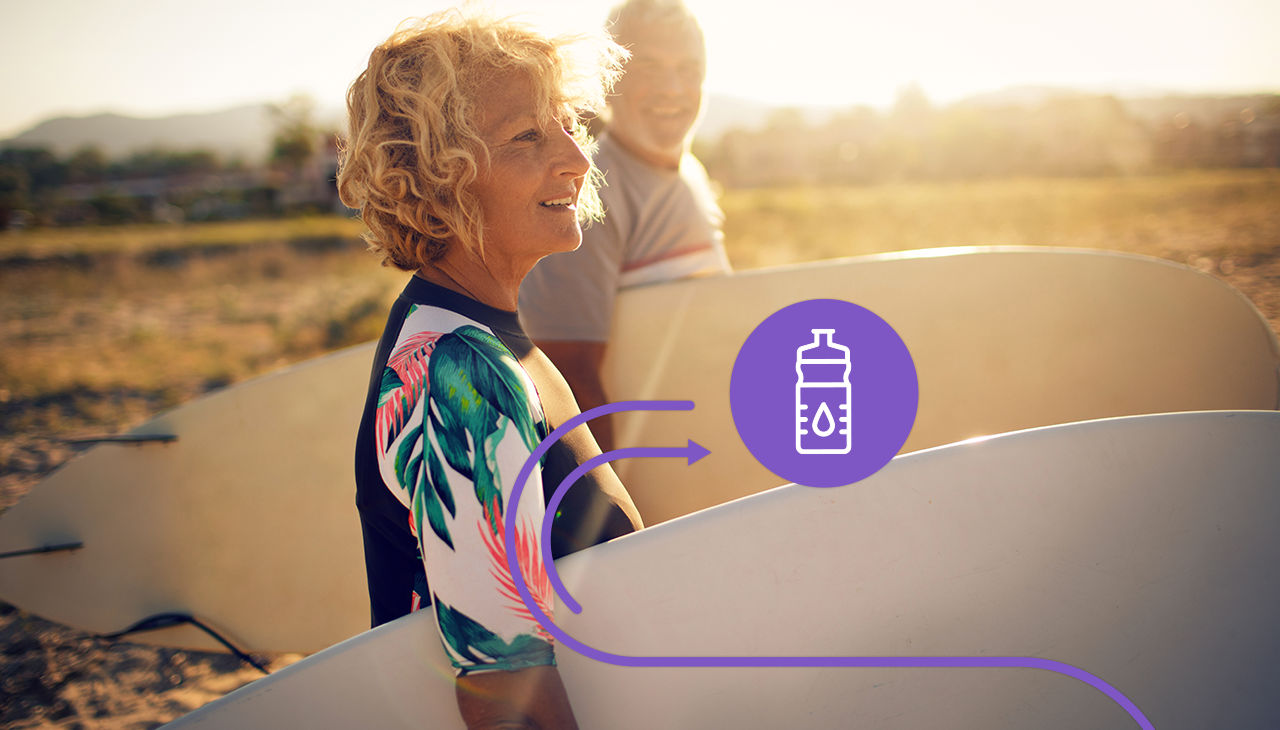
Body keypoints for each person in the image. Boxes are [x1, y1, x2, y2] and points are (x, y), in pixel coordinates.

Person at [340, 11, 641, 728]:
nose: (576, 157)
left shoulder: (488, 340)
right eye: (527, 137)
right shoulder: (461, 372)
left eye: (568, 122)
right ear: (437, 179)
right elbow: (506, 691)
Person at [518, 0, 730, 451]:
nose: (673, 89)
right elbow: (567, 378)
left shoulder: (689, 172)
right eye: (650, 67)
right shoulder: (587, 191)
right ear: (608, 78)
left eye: (689, 69)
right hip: (654, 487)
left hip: (708, 463)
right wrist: (614, 518)